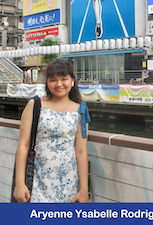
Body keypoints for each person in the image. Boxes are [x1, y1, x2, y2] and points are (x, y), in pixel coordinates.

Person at [13, 58, 91, 203]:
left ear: (72, 81)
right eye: (53, 79)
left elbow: (81, 151)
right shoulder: (34, 105)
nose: (59, 84)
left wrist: (83, 189)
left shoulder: (81, 110)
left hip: (69, 184)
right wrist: (19, 183)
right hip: (36, 181)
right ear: (47, 82)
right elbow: (23, 145)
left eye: (64, 79)